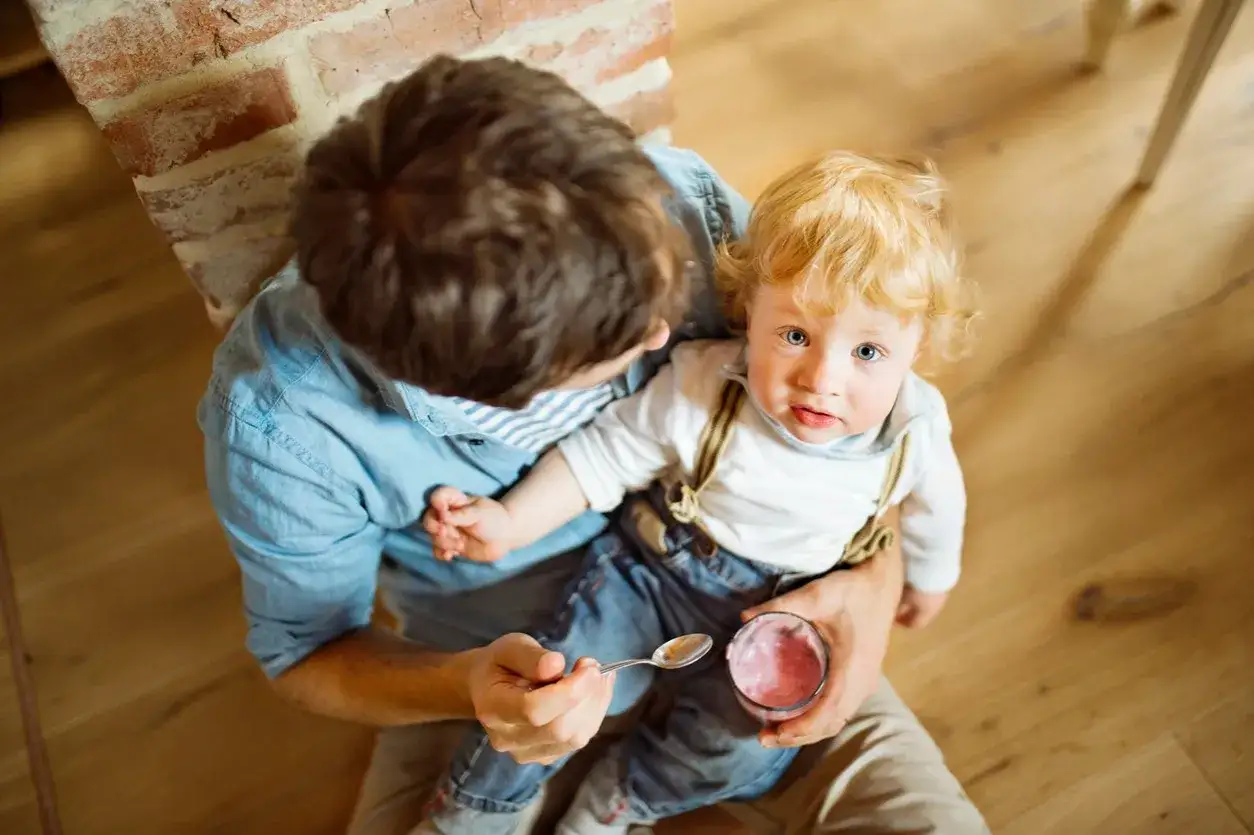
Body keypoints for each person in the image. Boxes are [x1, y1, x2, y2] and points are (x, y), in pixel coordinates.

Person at [197, 53, 990, 834]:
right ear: (495, 387)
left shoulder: (678, 202)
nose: (666, 328)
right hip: (497, 651)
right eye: (625, 333)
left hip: (773, 598)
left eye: (663, 280)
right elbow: (309, 653)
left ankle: (633, 795)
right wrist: (476, 684)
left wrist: (878, 585)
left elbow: (856, 404)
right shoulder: (282, 420)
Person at [418, 151, 977, 835]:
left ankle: (619, 799)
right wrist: (510, 519)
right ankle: (477, 808)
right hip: (652, 574)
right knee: (555, 676)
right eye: (795, 334)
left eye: (867, 351)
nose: (821, 378)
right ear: (749, 316)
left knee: (742, 745)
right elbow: (602, 455)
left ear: (915, 346)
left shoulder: (916, 430)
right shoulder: (705, 384)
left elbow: (937, 509)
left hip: (781, 616)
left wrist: (928, 577)